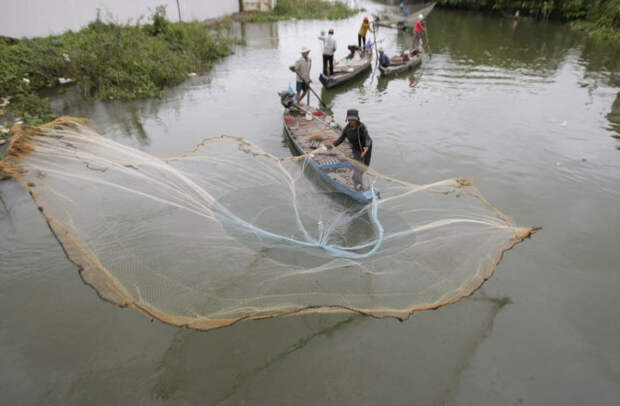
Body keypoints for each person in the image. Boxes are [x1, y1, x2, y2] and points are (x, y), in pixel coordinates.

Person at [331, 109, 372, 190]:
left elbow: (367, 138)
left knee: (365, 166)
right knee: (358, 166)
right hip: (356, 149)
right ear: (347, 119)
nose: (351, 121)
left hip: (366, 148)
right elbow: (341, 139)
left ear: (357, 119)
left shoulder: (361, 127)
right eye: (350, 119)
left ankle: (356, 178)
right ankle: (358, 185)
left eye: (353, 119)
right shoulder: (347, 129)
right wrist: (331, 146)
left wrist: (366, 147)